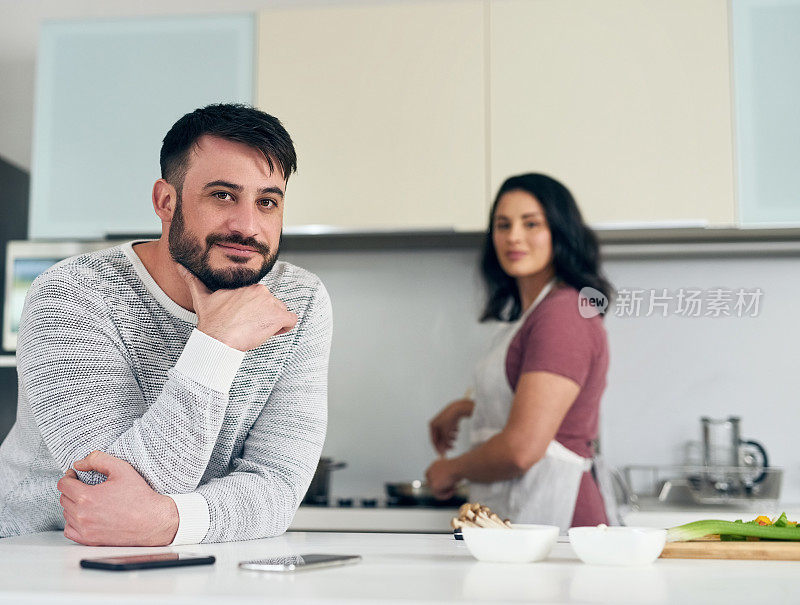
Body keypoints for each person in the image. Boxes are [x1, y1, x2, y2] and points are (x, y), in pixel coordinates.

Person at [0, 104, 332, 546]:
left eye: (267, 202)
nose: (247, 226)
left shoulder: (299, 301)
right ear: (165, 201)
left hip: (189, 562)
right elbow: (104, 490)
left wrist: (171, 522)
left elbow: (278, 487)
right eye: (222, 195)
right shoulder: (71, 293)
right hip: (37, 559)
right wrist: (216, 345)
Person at [425, 173, 614, 530]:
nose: (513, 236)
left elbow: (522, 449)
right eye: (503, 224)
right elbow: (530, 400)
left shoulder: (564, 314)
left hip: (560, 520)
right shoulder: (535, 314)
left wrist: (450, 469)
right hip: (528, 513)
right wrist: (466, 408)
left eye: (531, 224)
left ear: (560, 231)